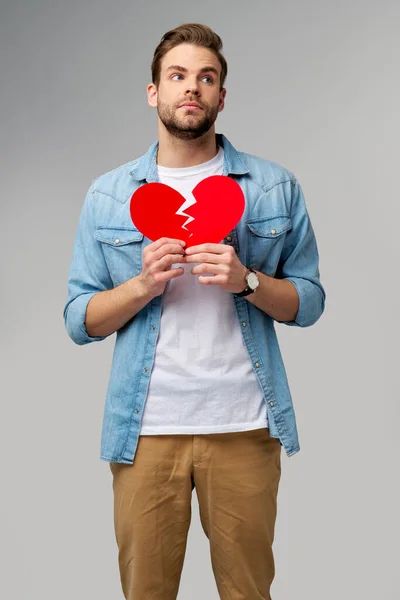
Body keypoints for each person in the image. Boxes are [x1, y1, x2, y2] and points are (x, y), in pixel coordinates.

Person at [63, 22, 326, 600]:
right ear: (153, 91)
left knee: (248, 592)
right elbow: (78, 319)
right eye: (177, 75)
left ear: (221, 97)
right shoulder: (109, 195)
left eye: (206, 78)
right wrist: (142, 286)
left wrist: (247, 279)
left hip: (244, 425)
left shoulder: (272, 187)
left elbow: (309, 303)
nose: (192, 88)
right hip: (146, 430)